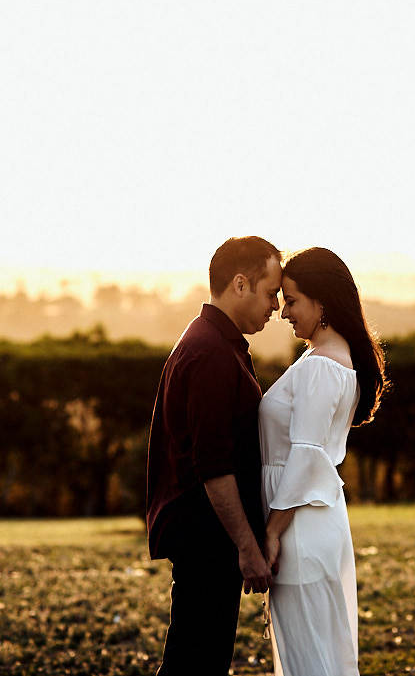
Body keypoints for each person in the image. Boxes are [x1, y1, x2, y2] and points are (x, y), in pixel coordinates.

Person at [145, 236, 283, 676]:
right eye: (270, 292)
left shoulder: (214, 343)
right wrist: (247, 547)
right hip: (206, 538)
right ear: (240, 284)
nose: (276, 306)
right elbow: (213, 465)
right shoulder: (210, 354)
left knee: (197, 659)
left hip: (208, 534)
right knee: (195, 662)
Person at [259, 247, 387, 676]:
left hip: (299, 530)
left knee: (310, 663)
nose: (283, 312)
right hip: (310, 523)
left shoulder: (321, 368)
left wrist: (272, 533)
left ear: (323, 302)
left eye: (291, 300)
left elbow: (307, 454)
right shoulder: (327, 360)